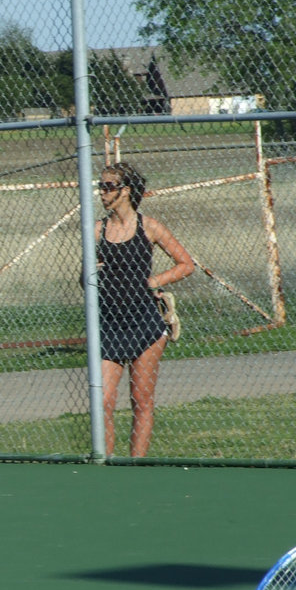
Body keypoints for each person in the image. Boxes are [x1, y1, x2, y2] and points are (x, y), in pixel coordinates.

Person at [93, 162, 195, 457]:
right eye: (101, 186)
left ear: (125, 191)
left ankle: (136, 467)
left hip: (145, 324)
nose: (102, 192)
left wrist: (155, 282)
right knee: (103, 402)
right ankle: (108, 465)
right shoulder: (97, 231)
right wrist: (91, 272)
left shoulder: (148, 227)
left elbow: (186, 264)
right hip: (109, 325)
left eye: (109, 186)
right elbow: (83, 279)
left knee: (142, 399)